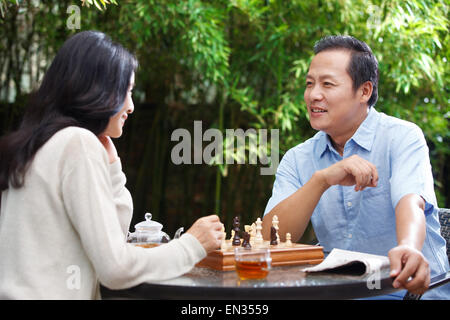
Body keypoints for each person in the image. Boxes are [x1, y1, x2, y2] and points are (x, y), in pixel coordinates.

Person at [0, 31, 224, 299]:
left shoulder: (36, 145)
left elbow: (108, 244)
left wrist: (113, 168)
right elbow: (116, 269)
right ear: (95, 90)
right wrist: (192, 245)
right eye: (126, 92)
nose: (130, 106)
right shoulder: (77, 143)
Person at [262, 35, 449, 299]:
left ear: (364, 91)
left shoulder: (403, 136)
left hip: (409, 292)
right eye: (309, 84)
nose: (313, 95)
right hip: (340, 291)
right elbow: (271, 240)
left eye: (327, 84)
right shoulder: (298, 158)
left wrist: (409, 248)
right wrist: (321, 180)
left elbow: (411, 202)